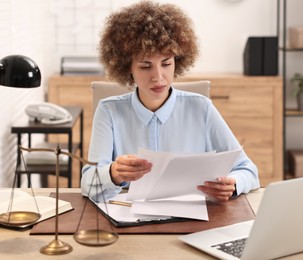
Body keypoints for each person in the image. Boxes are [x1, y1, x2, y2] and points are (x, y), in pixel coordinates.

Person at [81, 1, 260, 202]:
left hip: (191, 220)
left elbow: (248, 170)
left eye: (166, 64)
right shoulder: (109, 111)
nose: (158, 77)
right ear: (127, 68)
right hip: (129, 219)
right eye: (145, 66)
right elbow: (88, 183)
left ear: (178, 61)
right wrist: (113, 173)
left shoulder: (201, 108)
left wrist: (233, 183)